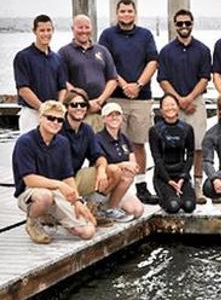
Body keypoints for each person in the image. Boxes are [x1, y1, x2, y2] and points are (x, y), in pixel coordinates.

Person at [99, 0, 159, 205]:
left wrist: (138, 85)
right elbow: (107, 63)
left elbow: (153, 61)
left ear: (135, 13)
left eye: (129, 11)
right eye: (122, 11)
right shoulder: (107, 35)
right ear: (117, 14)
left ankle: (141, 186)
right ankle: (116, 187)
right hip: (116, 97)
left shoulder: (145, 35)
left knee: (139, 143)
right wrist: (124, 85)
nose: (126, 14)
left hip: (141, 98)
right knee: (113, 143)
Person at [12, 100, 96, 244]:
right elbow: (30, 180)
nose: (55, 122)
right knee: (45, 196)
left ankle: (52, 217)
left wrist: (77, 201)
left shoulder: (62, 142)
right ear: (40, 117)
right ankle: (33, 222)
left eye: (59, 120)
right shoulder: (25, 142)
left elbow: (68, 177)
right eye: (50, 118)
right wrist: (59, 185)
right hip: (31, 192)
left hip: (56, 192)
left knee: (88, 231)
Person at [157, 9, 211, 205]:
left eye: (187, 23)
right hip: (173, 103)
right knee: (171, 146)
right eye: (179, 23)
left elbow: (205, 78)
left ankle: (197, 187)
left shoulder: (203, 50)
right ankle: (172, 185)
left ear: (192, 23)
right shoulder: (166, 51)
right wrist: (179, 100)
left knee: (198, 147)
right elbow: (162, 78)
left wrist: (189, 98)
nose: (183, 27)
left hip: (195, 102)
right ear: (174, 25)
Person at [60, 89, 132, 224]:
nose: (79, 108)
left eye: (83, 105)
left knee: (113, 171)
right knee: (85, 228)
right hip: (60, 181)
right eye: (74, 105)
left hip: (76, 176)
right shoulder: (59, 128)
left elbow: (98, 155)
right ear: (66, 107)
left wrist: (101, 171)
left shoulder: (86, 129)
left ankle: (95, 207)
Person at [58, 14, 118, 131]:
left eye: (87, 27)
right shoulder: (64, 52)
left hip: (101, 110)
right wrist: (84, 103)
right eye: (80, 27)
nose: (84, 31)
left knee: (101, 146)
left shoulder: (102, 51)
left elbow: (112, 79)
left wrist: (99, 101)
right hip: (78, 112)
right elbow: (63, 82)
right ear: (73, 29)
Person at [14, 15, 67, 133]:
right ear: (34, 31)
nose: (46, 34)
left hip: (53, 115)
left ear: (53, 30)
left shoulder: (57, 58)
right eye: (42, 30)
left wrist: (58, 107)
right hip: (32, 113)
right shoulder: (23, 57)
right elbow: (23, 89)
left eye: (49, 30)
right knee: (30, 148)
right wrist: (42, 108)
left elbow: (62, 87)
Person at [94, 102, 145, 219]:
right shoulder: (98, 138)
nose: (114, 117)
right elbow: (98, 164)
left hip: (122, 186)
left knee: (138, 211)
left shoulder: (124, 138)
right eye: (110, 115)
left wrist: (130, 166)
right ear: (103, 119)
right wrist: (122, 164)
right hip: (106, 184)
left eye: (117, 114)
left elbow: (134, 165)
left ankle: (112, 204)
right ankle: (110, 209)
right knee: (126, 175)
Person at [148, 94, 196, 214]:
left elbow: (190, 155)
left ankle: (179, 192)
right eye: (166, 105)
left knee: (189, 206)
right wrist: (169, 180)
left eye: (172, 104)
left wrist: (183, 177)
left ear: (178, 107)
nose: (170, 108)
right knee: (174, 206)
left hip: (181, 175)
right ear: (161, 110)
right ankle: (165, 196)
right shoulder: (155, 131)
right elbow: (157, 158)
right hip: (163, 177)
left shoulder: (187, 129)